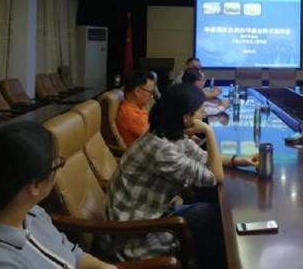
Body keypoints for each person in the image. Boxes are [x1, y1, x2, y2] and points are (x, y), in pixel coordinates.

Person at [105, 83, 257, 268]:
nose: (203, 114)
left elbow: (204, 157)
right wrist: (209, 131)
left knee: (216, 214)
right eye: (200, 111)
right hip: (137, 234)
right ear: (187, 117)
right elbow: (216, 176)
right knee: (219, 221)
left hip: (157, 213)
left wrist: (238, 160)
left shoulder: (167, 133)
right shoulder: (163, 150)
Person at [0, 122, 117, 269]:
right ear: (35, 186)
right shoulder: (1, 262)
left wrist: (102, 267)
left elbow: (72, 254)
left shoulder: (33, 213)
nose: (59, 170)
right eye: (56, 165)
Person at [116, 70, 156, 147]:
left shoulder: (138, 107)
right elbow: (154, 138)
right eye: (150, 92)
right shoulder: (131, 115)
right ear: (137, 91)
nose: (151, 96)